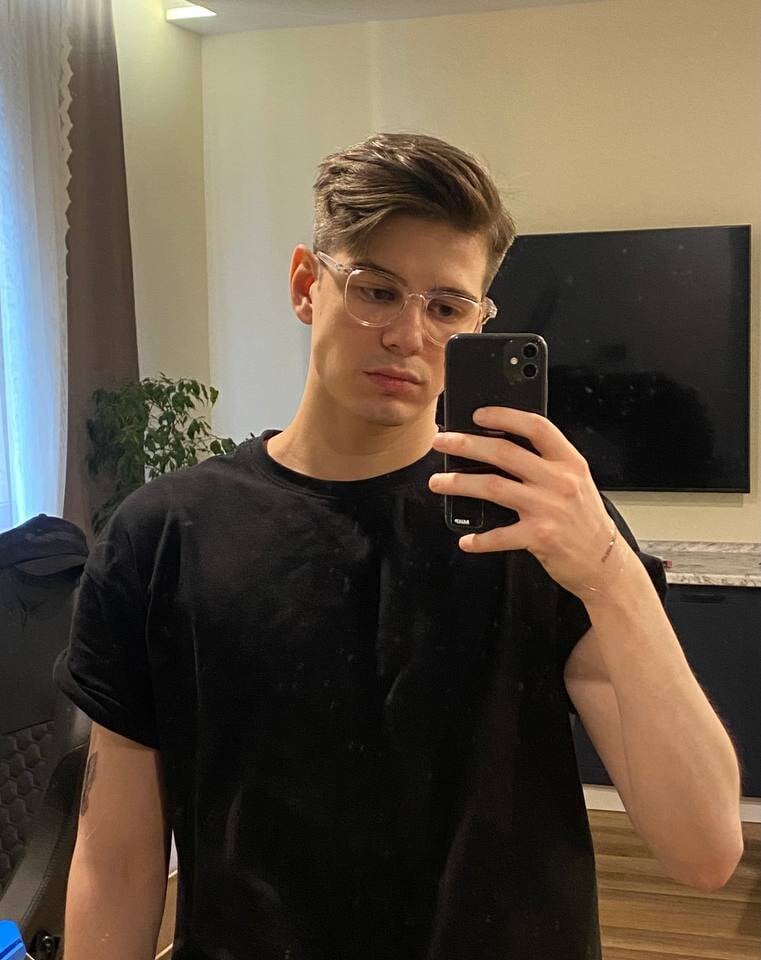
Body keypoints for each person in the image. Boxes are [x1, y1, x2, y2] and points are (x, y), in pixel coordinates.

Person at [55, 133, 743, 960]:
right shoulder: (162, 535)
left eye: (446, 308)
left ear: (479, 321)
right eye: (376, 291)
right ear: (306, 285)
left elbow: (703, 849)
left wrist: (610, 572)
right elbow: (117, 858)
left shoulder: (541, 529)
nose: (407, 335)